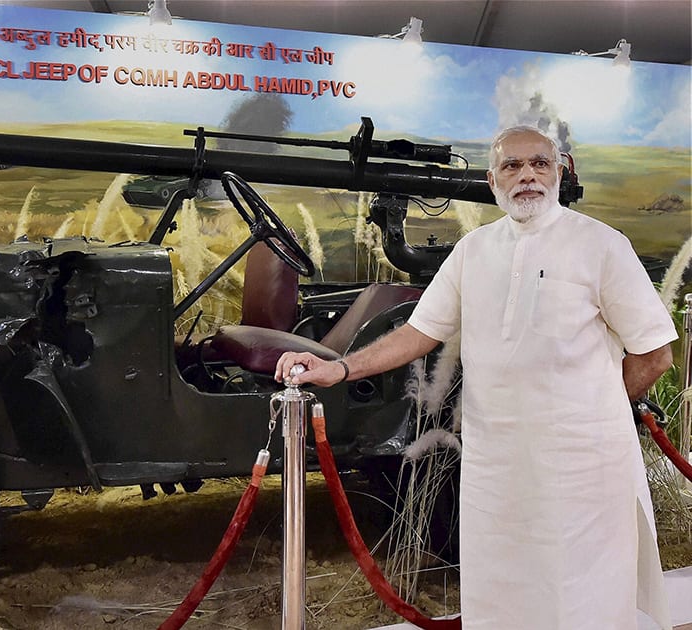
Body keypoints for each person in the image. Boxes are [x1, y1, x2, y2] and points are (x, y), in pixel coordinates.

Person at [275, 125, 678, 630]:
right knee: (500, 589)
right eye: (512, 165)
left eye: (539, 163)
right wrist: (340, 367)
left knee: (581, 592)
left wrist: (594, 413)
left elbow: (655, 354)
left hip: (582, 466)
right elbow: (420, 331)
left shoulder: (602, 245)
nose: (527, 175)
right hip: (496, 463)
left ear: (558, 173)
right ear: (492, 180)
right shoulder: (473, 250)